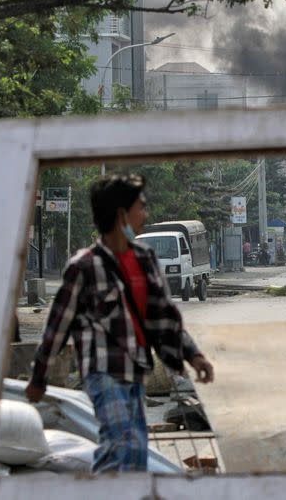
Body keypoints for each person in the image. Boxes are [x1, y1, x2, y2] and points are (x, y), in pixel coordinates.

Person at [26, 174, 214, 473]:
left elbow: (164, 315)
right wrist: (39, 377)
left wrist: (193, 355)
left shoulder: (145, 258)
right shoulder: (84, 266)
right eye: (140, 207)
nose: (145, 214)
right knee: (120, 445)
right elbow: (57, 326)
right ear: (120, 214)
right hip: (102, 372)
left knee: (135, 452)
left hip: (135, 370)